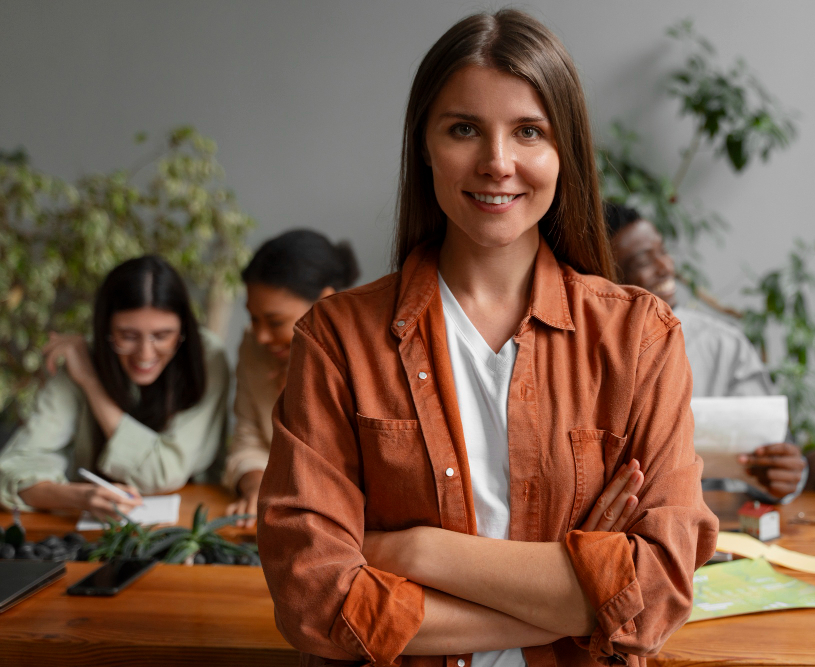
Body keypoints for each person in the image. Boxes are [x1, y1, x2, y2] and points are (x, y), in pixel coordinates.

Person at [257, 9, 718, 667]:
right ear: (425, 145)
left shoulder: (639, 335)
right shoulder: (336, 338)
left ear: (566, 152)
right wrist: (581, 595)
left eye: (529, 131)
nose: (497, 163)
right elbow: (315, 600)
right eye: (464, 129)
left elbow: (654, 596)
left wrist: (413, 551)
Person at [0, 255, 229, 517]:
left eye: (162, 336)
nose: (145, 354)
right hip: (97, 528)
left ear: (183, 329)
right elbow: (13, 469)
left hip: (194, 523)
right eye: (128, 336)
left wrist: (91, 382)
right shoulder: (83, 355)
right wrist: (80, 496)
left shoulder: (207, 357)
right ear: (105, 328)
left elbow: (161, 474)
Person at [605, 202, 805, 500]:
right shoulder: (578, 356)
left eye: (663, 251)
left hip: (715, 527)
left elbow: (776, 461)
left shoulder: (724, 345)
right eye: (644, 261)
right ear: (604, 279)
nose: (666, 267)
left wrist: (784, 476)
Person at [223, 229, 359, 526]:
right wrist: (254, 484)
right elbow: (247, 440)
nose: (260, 336)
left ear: (325, 302)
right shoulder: (254, 349)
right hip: (278, 520)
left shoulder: (366, 357)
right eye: (253, 318)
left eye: (275, 322)